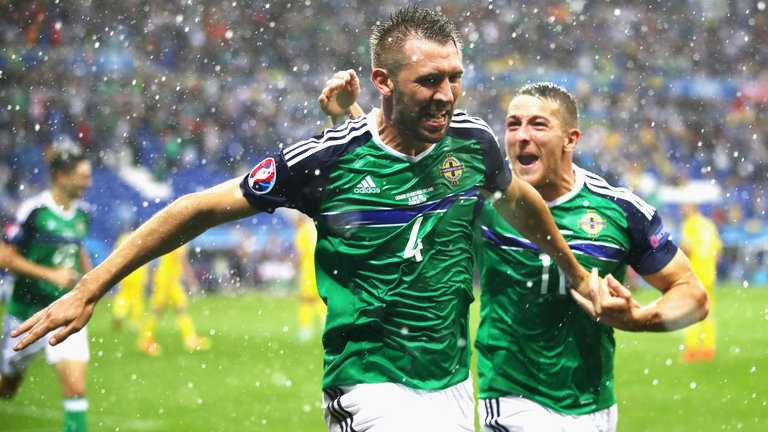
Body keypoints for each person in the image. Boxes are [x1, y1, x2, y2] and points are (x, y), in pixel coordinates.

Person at [12, 8, 608, 431]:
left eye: (455, 78)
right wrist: (92, 287)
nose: (448, 94)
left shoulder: (474, 144)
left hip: (453, 383)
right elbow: (195, 210)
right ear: (383, 81)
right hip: (370, 381)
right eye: (430, 80)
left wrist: (578, 275)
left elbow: (521, 202)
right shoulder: (322, 160)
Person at [318, 79, 709, 431]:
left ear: (571, 139)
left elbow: (692, 294)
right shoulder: (480, 196)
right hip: (511, 400)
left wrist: (639, 318)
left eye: (538, 125)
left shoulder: (619, 211)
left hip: (594, 405)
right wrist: (349, 116)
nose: (521, 136)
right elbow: (398, 178)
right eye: (512, 125)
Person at [0, 146, 92, 432]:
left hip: (66, 311)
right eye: (82, 177)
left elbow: (77, 252)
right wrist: (50, 274)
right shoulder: (35, 211)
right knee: (7, 387)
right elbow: (5, 256)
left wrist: (92, 282)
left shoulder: (83, 215)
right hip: (28, 312)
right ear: (61, 177)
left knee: (75, 388)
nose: (88, 183)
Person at [136, 243, 210, 356]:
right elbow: (182, 261)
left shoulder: (178, 238)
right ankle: (145, 340)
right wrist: (191, 280)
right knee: (158, 311)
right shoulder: (181, 241)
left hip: (169, 280)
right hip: (166, 281)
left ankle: (190, 339)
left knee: (179, 309)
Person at [679, 202, 721, 363]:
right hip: (709, 273)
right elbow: (718, 248)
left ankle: (691, 350)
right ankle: (709, 348)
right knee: (708, 311)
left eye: (685, 207)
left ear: (692, 209)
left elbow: (687, 248)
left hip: (695, 274)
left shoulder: (689, 225)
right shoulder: (709, 224)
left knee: (691, 312)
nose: (683, 210)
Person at [290, 211, 325, 342]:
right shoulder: (316, 229)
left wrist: (295, 268)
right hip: (319, 269)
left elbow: (299, 254)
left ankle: (306, 329)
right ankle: (325, 325)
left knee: (306, 301)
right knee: (321, 300)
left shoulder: (302, 232)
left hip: (307, 270)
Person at [111, 231, 149, 332]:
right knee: (136, 298)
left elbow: (116, 255)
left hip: (125, 272)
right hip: (137, 271)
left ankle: (119, 312)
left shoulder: (122, 238)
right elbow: (146, 255)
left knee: (123, 295)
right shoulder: (142, 236)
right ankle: (135, 322)